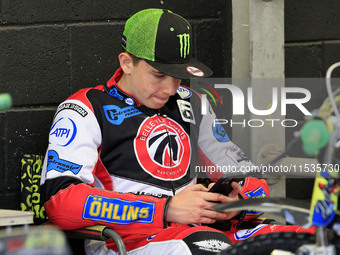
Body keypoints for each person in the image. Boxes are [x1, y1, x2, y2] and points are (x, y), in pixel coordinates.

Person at [40, 8, 313, 255]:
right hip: (130, 242)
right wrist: (166, 208)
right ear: (126, 63)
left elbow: (253, 181)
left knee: (313, 239)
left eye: (178, 75)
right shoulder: (85, 108)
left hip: (205, 234)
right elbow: (60, 201)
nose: (171, 89)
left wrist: (238, 201)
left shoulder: (192, 102)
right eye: (159, 75)